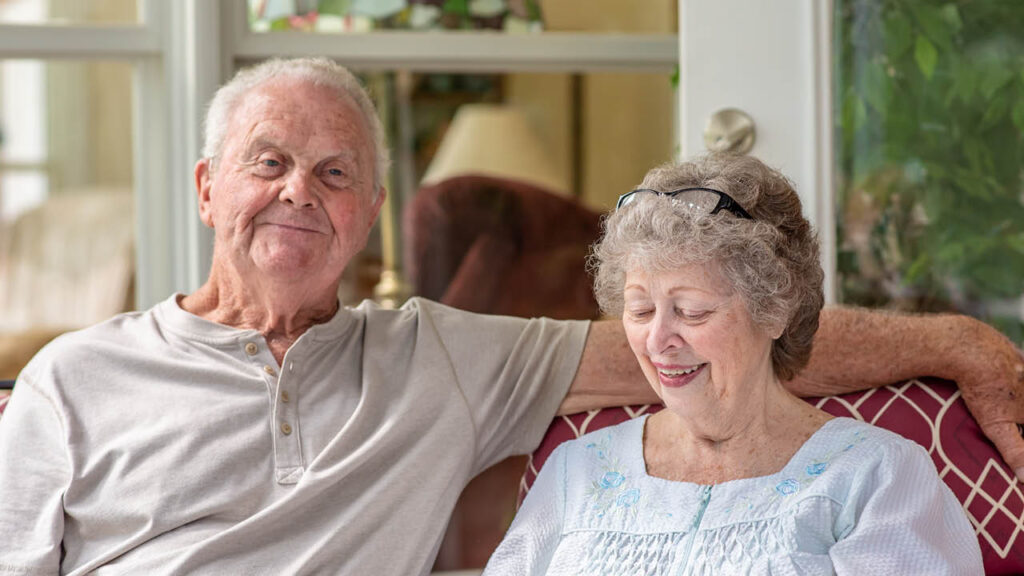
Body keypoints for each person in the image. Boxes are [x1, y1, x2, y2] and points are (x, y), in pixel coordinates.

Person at [0, 57, 1018, 575]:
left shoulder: (436, 355)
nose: (299, 192)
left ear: (369, 214)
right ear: (207, 187)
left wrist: (950, 340)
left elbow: (725, 339)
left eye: (335, 172)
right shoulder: (74, 380)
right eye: (268, 162)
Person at [482, 155, 983, 575]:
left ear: (775, 308)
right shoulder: (578, 470)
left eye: (691, 311)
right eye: (639, 311)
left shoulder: (875, 476)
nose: (658, 340)